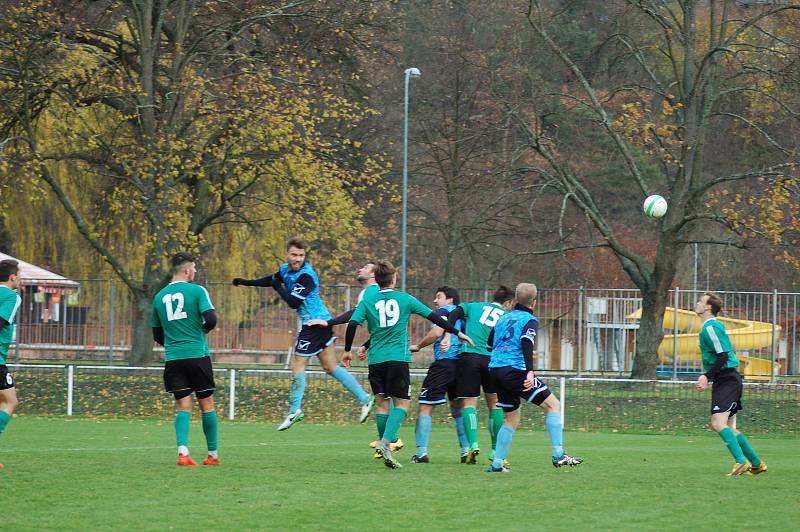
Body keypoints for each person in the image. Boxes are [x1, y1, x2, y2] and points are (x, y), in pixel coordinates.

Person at [343, 261, 475, 469]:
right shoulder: (405, 299)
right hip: (398, 358)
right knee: (402, 404)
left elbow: (352, 324)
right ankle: (386, 443)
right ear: (394, 279)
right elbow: (436, 318)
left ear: (376, 280)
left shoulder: (368, 300)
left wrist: (347, 350)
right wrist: (458, 332)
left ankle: (385, 441)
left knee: (381, 403)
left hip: (376, 359)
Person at [233, 239, 374, 430]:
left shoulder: (306, 276)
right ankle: (365, 398)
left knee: (297, 365)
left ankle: (294, 410)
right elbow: (270, 279)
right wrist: (245, 282)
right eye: (294, 255)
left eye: (301, 255)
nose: (298, 259)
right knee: (331, 367)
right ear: (287, 254)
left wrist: (277, 287)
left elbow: (292, 302)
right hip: (319, 323)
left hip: (314, 325)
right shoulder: (285, 269)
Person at [308, 263, 404, 456]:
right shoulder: (371, 292)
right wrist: (367, 344)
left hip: (386, 353)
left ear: (374, 274)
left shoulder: (371, 291)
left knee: (387, 399)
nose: (360, 268)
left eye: (366, 267)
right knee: (388, 398)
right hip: (383, 350)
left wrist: (329, 322)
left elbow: (355, 317)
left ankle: (390, 440)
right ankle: (389, 440)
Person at [487, 283, 582, 473]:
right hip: (515, 371)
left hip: (495, 370)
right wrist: (529, 371)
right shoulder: (529, 319)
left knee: (510, 419)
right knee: (553, 406)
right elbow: (526, 341)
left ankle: (497, 464)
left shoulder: (502, 319)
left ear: (514, 301)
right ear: (534, 302)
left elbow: (490, 345)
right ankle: (559, 455)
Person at [152, 253, 220, 467]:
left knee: (183, 406)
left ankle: (183, 452)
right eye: (194, 268)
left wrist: (174, 343)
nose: (195, 272)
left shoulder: (159, 297)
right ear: (187, 270)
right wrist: (201, 332)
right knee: (207, 405)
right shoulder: (197, 291)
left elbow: (157, 335)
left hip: (173, 359)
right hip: (197, 355)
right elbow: (211, 319)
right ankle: (212, 455)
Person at [694, 292, 767, 476]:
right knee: (729, 427)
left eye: (700, 301)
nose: (697, 304)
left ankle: (740, 462)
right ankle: (757, 464)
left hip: (727, 379)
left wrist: (706, 376)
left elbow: (724, 354)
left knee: (718, 423)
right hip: (727, 379)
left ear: (708, 307)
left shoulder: (710, 327)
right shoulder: (709, 327)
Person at [445, 286, 514, 464]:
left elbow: (452, 314)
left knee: (469, 404)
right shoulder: (506, 316)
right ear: (508, 303)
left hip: (469, 356)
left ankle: (473, 444)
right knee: (495, 405)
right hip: (493, 360)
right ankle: (494, 450)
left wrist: (451, 334)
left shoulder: (473, 306)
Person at [408, 286, 469, 463]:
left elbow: (436, 333)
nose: (435, 301)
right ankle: (466, 451)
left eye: (439, 297)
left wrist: (418, 346)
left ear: (450, 299)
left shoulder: (444, 311)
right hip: (462, 365)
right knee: (458, 408)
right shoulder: (463, 315)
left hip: (444, 364)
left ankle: (421, 453)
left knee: (425, 407)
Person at [0, 259, 21, 470]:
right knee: (9, 401)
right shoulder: (11, 296)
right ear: (12, 276)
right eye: (19, 274)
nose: (20, 278)